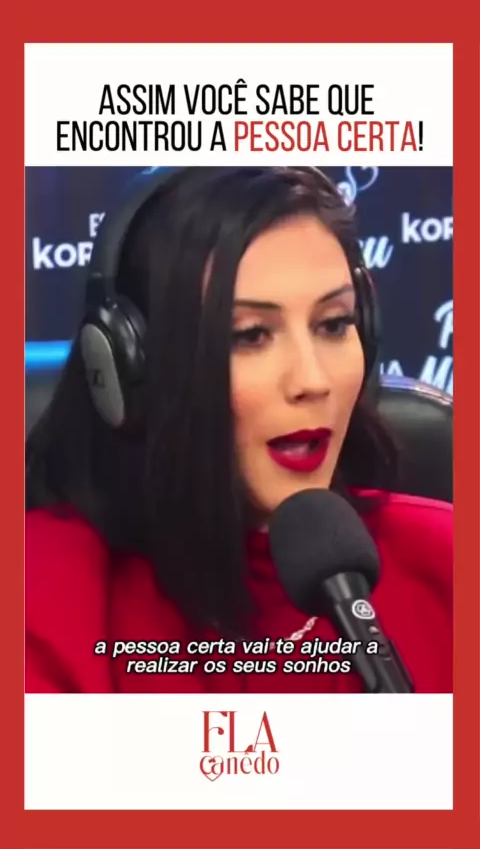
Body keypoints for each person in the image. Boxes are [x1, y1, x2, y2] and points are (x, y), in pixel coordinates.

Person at [25, 166, 452, 694]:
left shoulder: (448, 562)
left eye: (333, 324)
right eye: (250, 335)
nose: (313, 381)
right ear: (132, 364)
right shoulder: (39, 595)